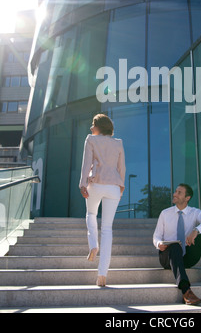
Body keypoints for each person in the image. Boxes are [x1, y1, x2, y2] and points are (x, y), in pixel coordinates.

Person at [153, 183, 201, 306]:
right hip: (168, 256)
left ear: (187, 198)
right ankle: (186, 291)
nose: (174, 194)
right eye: (175, 191)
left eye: (179, 192)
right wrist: (159, 243)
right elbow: (156, 236)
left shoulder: (194, 212)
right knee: (175, 245)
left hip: (186, 256)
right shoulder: (165, 213)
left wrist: (196, 230)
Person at [79, 114, 126, 287]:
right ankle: (102, 275)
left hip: (96, 184)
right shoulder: (118, 143)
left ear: (100, 126)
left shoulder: (91, 140)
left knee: (91, 214)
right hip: (113, 186)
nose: (91, 128)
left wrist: (83, 183)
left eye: (93, 124)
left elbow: (86, 164)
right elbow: (122, 167)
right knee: (107, 229)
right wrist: (121, 188)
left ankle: (93, 245)